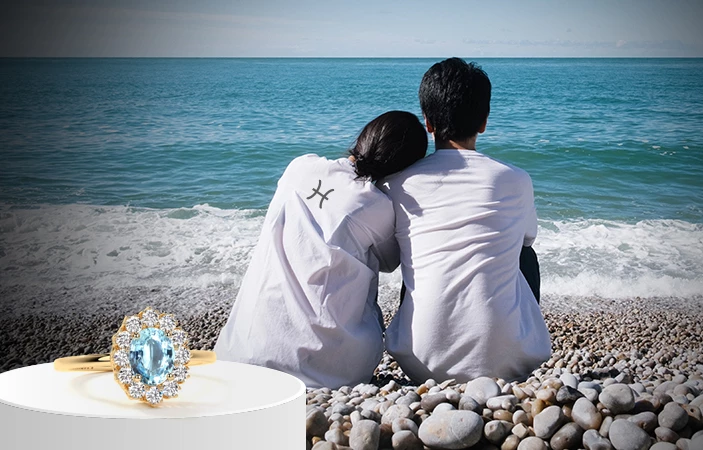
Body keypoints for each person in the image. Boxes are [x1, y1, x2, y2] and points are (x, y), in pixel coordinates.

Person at [214, 111, 428, 389]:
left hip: (242, 352)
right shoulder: (376, 206)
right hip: (328, 369)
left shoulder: (300, 167)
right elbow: (388, 263)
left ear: (364, 137)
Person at [379, 58, 551, 384]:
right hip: (510, 364)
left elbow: (387, 258)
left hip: (418, 361)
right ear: (484, 121)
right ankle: (506, 338)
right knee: (525, 253)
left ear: (427, 122)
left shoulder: (398, 183)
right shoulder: (515, 179)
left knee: (413, 253)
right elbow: (527, 239)